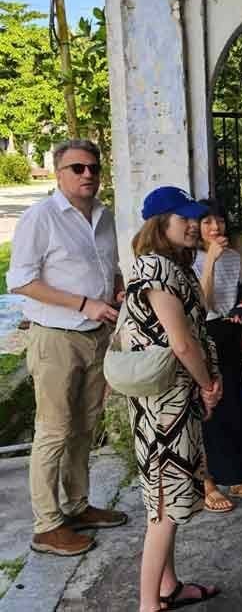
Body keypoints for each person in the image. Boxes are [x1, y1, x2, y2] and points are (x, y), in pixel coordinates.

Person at [8, 139, 128, 556]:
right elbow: (21, 280)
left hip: (97, 334)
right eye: (77, 168)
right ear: (59, 174)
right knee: (54, 430)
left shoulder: (105, 216)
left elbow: (108, 267)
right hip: (56, 337)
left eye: (93, 167)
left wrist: (115, 289)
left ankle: (77, 506)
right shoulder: (40, 218)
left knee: (84, 427)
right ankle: (47, 526)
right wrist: (82, 303)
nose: (87, 174)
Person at [122, 186, 222, 611]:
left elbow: (196, 327)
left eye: (195, 218)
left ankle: (169, 587)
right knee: (164, 508)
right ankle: (149, 605)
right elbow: (181, 343)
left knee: (167, 500)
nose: (194, 225)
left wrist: (206, 382)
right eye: (184, 219)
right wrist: (207, 383)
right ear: (160, 225)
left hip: (174, 401)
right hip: (164, 408)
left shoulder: (173, 266)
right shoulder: (155, 269)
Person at [193, 199, 242, 512]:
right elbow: (203, 305)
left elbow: (238, 296)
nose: (215, 227)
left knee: (237, 407)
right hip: (203, 337)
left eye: (220, 221)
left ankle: (239, 478)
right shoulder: (190, 259)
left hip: (228, 334)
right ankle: (207, 483)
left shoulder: (235, 257)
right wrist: (211, 260)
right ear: (196, 227)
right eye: (207, 222)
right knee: (208, 409)